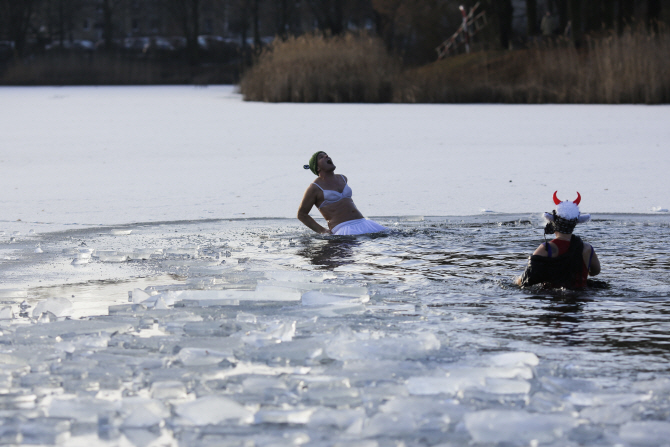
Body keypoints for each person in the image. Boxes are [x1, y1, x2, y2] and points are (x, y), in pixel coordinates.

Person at [516, 191, 601, 289]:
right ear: (575, 223)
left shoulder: (546, 248)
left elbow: (526, 279)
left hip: (555, 299)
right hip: (581, 298)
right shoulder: (587, 248)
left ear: (553, 222)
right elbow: (595, 272)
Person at [298, 151, 388, 235]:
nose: (326, 156)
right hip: (343, 229)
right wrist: (322, 231)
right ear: (317, 167)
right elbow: (301, 214)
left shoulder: (343, 178)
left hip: (364, 223)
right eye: (321, 157)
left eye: (326, 155)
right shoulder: (314, 187)